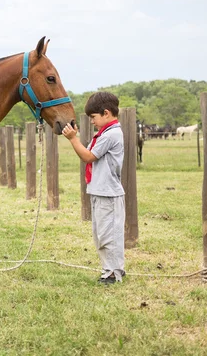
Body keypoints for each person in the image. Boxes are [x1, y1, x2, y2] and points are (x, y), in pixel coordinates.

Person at [61, 92, 126, 284]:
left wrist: (73, 139)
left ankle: (113, 273)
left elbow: (88, 156)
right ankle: (111, 269)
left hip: (108, 193)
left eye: (93, 117)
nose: (92, 122)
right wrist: (76, 137)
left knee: (109, 235)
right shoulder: (105, 133)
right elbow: (90, 151)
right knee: (101, 234)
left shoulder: (111, 134)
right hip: (99, 190)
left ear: (106, 113)